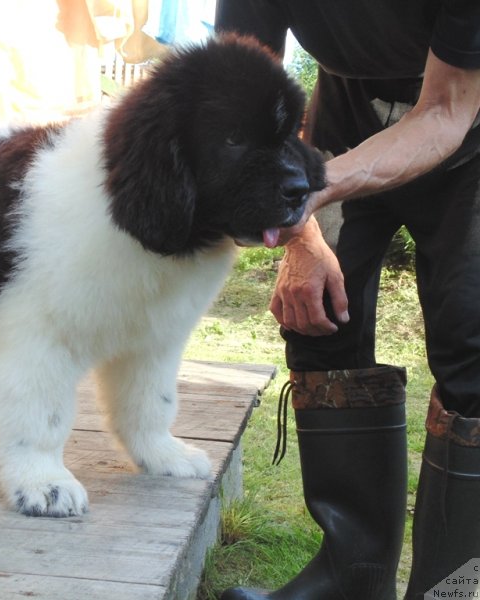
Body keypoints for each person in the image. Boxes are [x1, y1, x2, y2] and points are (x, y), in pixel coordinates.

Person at [214, 2, 480, 599]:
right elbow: (244, 104)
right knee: (320, 319)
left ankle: (452, 591)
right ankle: (350, 578)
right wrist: (302, 236)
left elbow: (445, 110)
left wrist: (304, 188)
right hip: (346, 114)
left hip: (467, 116)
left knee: (474, 343)